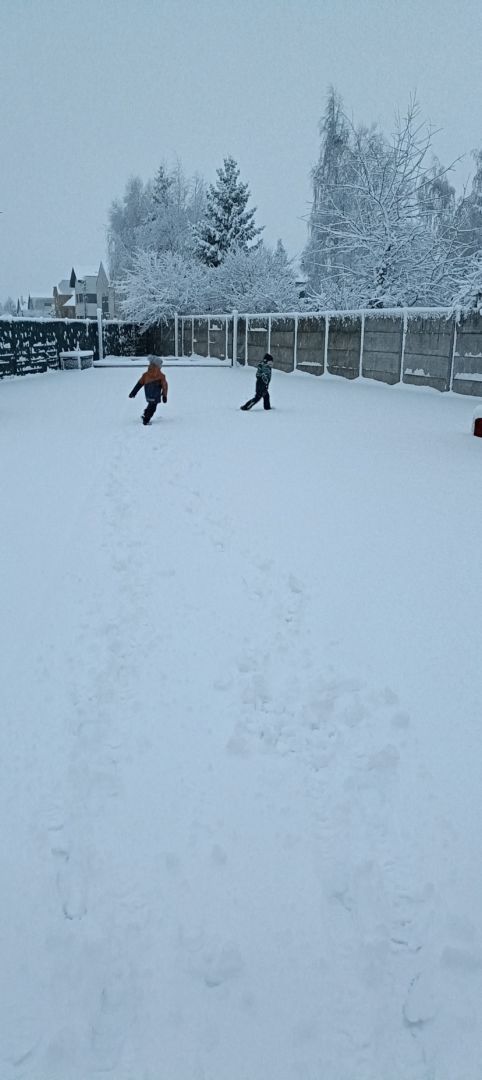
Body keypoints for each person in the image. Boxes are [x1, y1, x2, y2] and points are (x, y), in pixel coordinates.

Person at [129, 356, 168, 425]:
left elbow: (139, 384)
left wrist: (133, 392)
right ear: (158, 366)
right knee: (153, 408)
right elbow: (164, 386)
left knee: (150, 404)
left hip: (148, 395)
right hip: (156, 395)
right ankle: (146, 420)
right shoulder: (162, 376)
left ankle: (145, 415)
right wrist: (164, 396)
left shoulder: (145, 375)